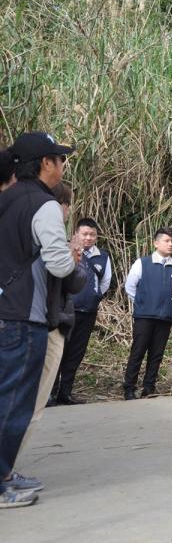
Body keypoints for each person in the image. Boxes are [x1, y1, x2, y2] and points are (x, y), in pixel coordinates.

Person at [0, 131, 77, 508]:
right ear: (45, 163)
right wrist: (73, 263)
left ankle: (6, 473)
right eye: (59, 159)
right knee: (14, 401)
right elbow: (59, 263)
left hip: (3, 310)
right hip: (24, 316)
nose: (62, 165)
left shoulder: (6, 198)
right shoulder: (43, 205)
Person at [12, 182, 87, 496]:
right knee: (30, 405)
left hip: (33, 324)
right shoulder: (48, 230)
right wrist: (72, 259)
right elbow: (71, 281)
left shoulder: (17, 229)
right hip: (43, 326)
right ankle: (6, 471)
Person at [52, 217, 111, 405]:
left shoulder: (102, 256)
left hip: (88, 312)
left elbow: (105, 283)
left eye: (92, 235)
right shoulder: (67, 251)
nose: (88, 238)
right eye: (84, 234)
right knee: (59, 351)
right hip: (67, 311)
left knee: (76, 353)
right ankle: (50, 394)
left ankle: (65, 393)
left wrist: (93, 297)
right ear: (76, 234)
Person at [123, 228, 172, 400]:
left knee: (157, 354)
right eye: (166, 240)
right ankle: (129, 387)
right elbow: (130, 287)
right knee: (138, 351)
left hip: (165, 317)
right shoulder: (142, 263)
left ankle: (149, 387)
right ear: (156, 243)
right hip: (144, 316)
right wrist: (143, 302)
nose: (170, 244)